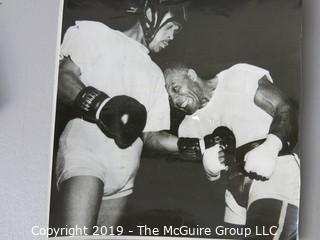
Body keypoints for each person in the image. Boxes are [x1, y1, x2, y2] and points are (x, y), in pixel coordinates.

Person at [54, 0, 187, 235]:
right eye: (171, 27)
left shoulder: (156, 74)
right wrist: (103, 106)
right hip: (87, 155)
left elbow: (153, 136)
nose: (174, 36)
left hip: (125, 177)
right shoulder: (95, 33)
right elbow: (63, 79)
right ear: (150, 14)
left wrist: (197, 145)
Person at [163, 63, 300, 239]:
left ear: (191, 74)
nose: (175, 100)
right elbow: (213, 175)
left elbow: (286, 107)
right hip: (234, 194)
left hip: (275, 173)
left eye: (175, 88)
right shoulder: (187, 127)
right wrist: (210, 172)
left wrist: (271, 146)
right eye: (169, 97)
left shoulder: (237, 77)